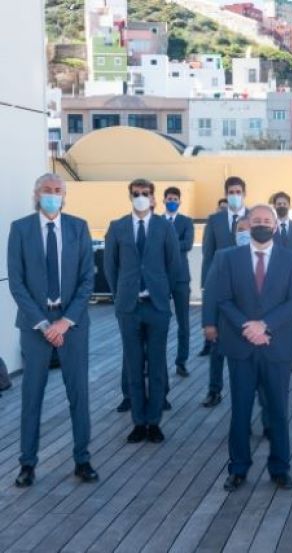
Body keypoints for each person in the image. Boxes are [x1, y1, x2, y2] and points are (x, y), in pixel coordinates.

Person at [7, 173, 98, 487]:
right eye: (47, 190)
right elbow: (16, 284)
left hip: (72, 324)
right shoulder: (20, 230)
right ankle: (27, 464)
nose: (52, 195)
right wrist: (46, 325)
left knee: (79, 395)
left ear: (64, 195)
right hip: (35, 327)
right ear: (36, 194)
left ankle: (82, 460)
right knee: (32, 396)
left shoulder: (78, 227)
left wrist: (64, 321)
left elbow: (88, 280)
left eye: (58, 190)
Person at [214, 205, 292, 493]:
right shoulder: (230, 258)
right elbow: (224, 300)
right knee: (240, 412)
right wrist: (248, 328)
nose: (262, 224)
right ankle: (238, 468)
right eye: (257, 221)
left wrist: (264, 326)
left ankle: (280, 468)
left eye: (267, 221)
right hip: (241, 347)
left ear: (276, 226)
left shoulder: (291, 259)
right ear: (248, 225)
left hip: (276, 346)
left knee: (277, 411)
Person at [104, 178, 180, 445]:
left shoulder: (164, 228)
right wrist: (120, 297)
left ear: (153, 198)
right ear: (130, 196)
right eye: (136, 194)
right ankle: (138, 421)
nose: (140, 197)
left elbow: (174, 265)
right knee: (134, 366)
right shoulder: (117, 227)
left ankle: (154, 421)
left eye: (145, 194)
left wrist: (166, 295)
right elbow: (110, 267)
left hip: (157, 306)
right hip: (129, 308)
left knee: (157, 366)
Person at [202, 216, 250, 408]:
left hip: (251, 322)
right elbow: (211, 290)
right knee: (216, 354)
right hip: (224, 320)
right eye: (240, 230)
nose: (244, 233)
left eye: (248, 229)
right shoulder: (223, 255)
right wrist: (209, 323)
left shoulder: (263, 256)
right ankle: (214, 391)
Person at [200, 177, 247, 357]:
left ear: (244, 194)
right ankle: (214, 384)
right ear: (226, 195)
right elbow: (208, 253)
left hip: (247, 284)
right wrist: (206, 284)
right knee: (217, 340)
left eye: (238, 192)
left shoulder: (253, 216)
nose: (235, 195)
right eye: (231, 192)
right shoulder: (215, 220)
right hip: (220, 283)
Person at [270, 191, 292, 373]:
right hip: (272, 285)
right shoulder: (269, 228)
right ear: (274, 206)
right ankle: (276, 355)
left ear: (289, 206)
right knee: (274, 322)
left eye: (285, 203)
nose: (282, 206)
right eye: (279, 203)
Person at [163, 186, 194, 378]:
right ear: (164, 200)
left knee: (183, 322)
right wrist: (175, 243)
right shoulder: (156, 221)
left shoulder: (186, 221)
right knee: (158, 322)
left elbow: (188, 244)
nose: (172, 201)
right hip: (160, 279)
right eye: (169, 198)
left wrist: (166, 244)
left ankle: (181, 362)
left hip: (181, 278)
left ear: (180, 201)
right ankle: (155, 361)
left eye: (175, 198)